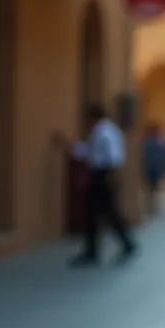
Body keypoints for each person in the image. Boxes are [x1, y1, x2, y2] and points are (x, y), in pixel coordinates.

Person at [56, 103, 138, 266]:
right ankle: (102, 249)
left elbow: (112, 157)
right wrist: (69, 145)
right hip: (100, 174)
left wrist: (111, 177)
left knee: (104, 213)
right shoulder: (102, 131)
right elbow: (89, 152)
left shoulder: (104, 132)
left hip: (103, 175)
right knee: (97, 213)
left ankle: (117, 246)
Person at [141, 123, 165, 215]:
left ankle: (153, 205)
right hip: (150, 167)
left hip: (156, 167)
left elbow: (163, 156)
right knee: (149, 187)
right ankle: (149, 205)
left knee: (155, 188)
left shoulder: (160, 142)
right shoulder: (147, 143)